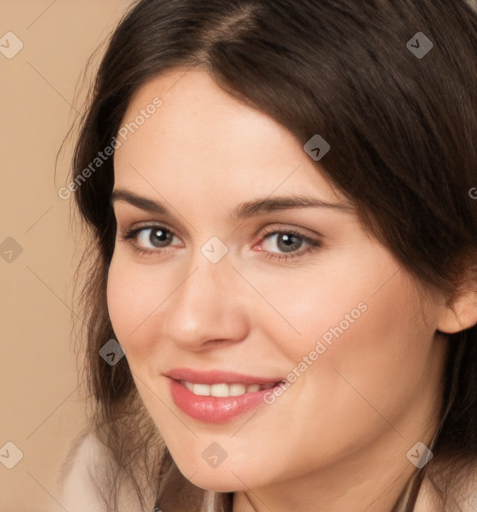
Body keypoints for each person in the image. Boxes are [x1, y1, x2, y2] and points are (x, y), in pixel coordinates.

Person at [56, 0, 477, 510]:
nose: (192, 322)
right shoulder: (105, 488)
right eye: (156, 235)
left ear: (461, 278)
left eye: (286, 241)